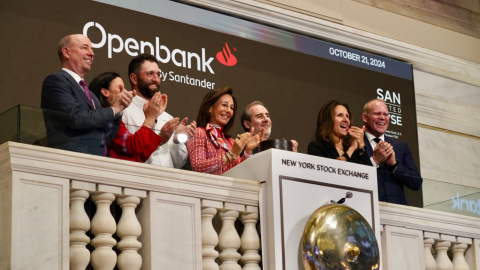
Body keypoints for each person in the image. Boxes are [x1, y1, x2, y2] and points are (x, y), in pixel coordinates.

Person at [41, 34, 132, 156]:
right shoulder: (56, 82)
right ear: (66, 52)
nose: (92, 53)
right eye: (85, 48)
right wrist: (115, 109)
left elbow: (106, 136)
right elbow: (76, 118)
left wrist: (119, 111)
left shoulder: (92, 96)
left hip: (99, 163)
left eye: (92, 49)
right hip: (71, 160)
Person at [122, 54, 196, 168]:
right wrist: (159, 139)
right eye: (150, 74)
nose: (156, 79)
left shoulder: (168, 118)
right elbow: (126, 152)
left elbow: (179, 163)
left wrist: (177, 140)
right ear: (134, 78)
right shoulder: (124, 111)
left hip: (167, 183)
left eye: (158, 74)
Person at [89, 72, 180, 162]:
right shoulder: (106, 117)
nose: (125, 92)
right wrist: (150, 118)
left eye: (124, 88)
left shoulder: (115, 117)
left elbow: (139, 156)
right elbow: (133, 147)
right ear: (105, 92)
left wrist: (158, 136)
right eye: (120, 88)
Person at [186, 87, 264, 175]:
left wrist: (248, 151)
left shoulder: (230, 141)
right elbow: (198, 166)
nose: (228, 111)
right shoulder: (199, 132)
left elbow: (242, 173)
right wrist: (231, 154)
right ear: (210, 108)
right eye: (224, 105)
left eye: (232, 108)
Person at [362, 99, 422, 205]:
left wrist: (395, 165)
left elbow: (416, 182)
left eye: (385, 114)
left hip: (397, 213)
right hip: (368, 206)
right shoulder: (355, 143)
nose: (382, 117)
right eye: (377, 113)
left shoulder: (401, 147)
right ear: (365, 117)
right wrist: (374, 160)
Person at [308, 100, 369, 165]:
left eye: (347, 116)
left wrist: (361, 144)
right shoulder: (317, 147)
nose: (346, 120)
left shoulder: (354, 149)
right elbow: (332, 171)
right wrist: (351, 150)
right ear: (328, 120)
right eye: (340, 115)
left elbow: (370, 173)